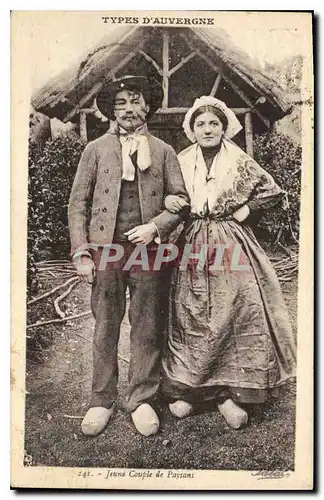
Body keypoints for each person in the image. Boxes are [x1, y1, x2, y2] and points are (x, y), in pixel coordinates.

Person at [161, 96, 296, 429]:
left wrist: (246, 210)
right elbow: (166, 192)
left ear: (224, 128)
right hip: (192, 240)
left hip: (230, 240)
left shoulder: (238, 160)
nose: (208, 129)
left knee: (234, 309)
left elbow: (272, 190)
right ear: (192, 130)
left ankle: (229, 393)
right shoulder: (181, 160)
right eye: (201, 124)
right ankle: (192, 391)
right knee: (191, 312)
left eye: (214, 124)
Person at [68, 75, 189, 437]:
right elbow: (78, 205)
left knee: (147, 324)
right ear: (112, 110)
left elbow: (181, 201)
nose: (128, 109)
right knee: (105, 324)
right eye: (120, 103)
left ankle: (141, 399)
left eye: (135, 101)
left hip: (149, 250)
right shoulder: (95, 150)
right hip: (105, 251)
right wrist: (81, 253)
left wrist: (156, 227)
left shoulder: (164, 151)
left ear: (148, 106)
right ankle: (100, 400)